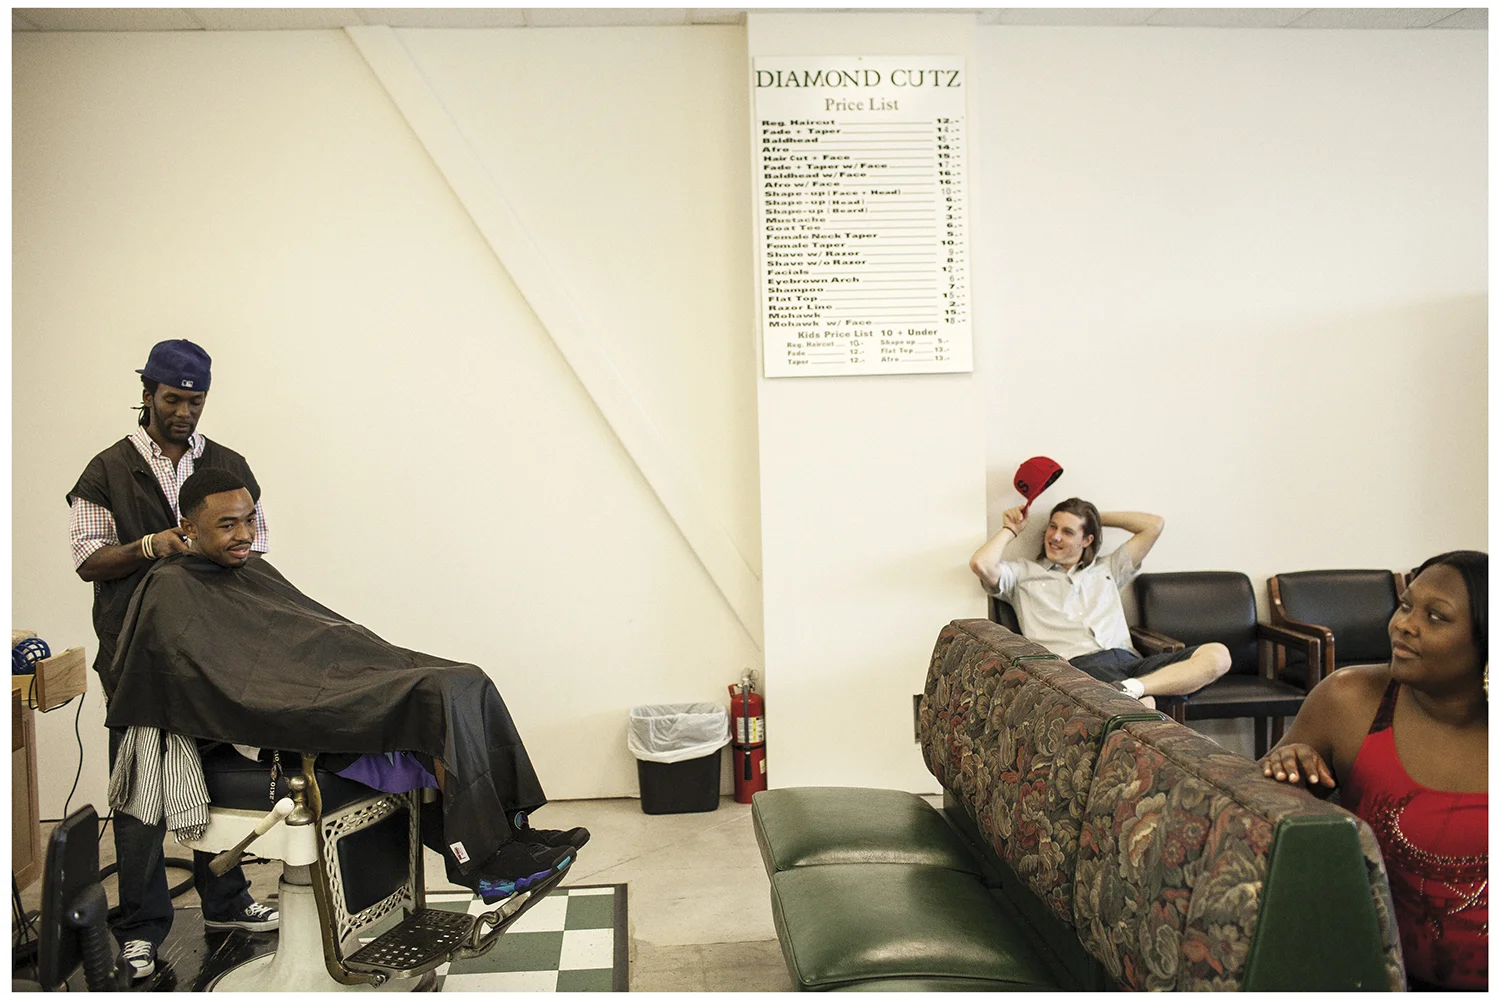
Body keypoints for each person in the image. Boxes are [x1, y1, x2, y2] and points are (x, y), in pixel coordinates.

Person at [105, 467, 589, 912]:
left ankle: (511, 832)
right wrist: (306, 694)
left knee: (467, 680)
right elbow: (215, 684)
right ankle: (483, 864)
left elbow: (305, 636)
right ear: (188, 527)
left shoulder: (249, 570)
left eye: (250, 519)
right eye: (228, 525)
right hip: (274, 721)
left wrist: (349, 670)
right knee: (436, 695)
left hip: (318, 689)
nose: (246, 534)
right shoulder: (171, 588)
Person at [66, 340, 275, 980]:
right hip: (139, 656)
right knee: (140, 796)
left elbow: (256, 542)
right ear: (148, 394)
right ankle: (141, 928)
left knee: (218, 777)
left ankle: (228, 902)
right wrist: (152, 545)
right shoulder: (108, 471)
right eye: (173, 399)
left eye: (195, 400)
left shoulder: (229, 465)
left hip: (214, 655)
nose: (184, 412)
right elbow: (88, 560)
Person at [1260, 550, 1487, 990]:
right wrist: (1284, 770)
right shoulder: (1349, 700)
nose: (1404, 625)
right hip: (1370, 978)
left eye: (1436, 617)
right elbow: (1250, 821)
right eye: (1405, 605)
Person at [968, 497, 1231, 707]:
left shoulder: (1108, 568)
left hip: (1131, 662)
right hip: (1079, 668)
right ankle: (1138, 699)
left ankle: (1131, 691)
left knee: (1218, 656)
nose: (1055, 536)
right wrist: (1011, 529)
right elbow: (981, 563)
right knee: (1146, 707)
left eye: (1068, 531)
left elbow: (1153, 524)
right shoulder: (1023, 574)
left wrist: (1092, 517)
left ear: (1087, 539)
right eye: (1053, 527)